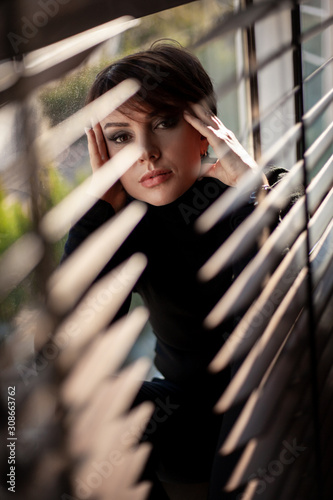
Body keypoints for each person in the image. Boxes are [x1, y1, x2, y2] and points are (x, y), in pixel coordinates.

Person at [62, 41, 289, 499]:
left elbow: (273, 319)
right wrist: (98, 210)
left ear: (205, 130)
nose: (145, 152)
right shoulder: (131, 225)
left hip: (269, 413)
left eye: (163, 123)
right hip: (184, 423)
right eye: (121, 136)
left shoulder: (260, 200)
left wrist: (254, 192)